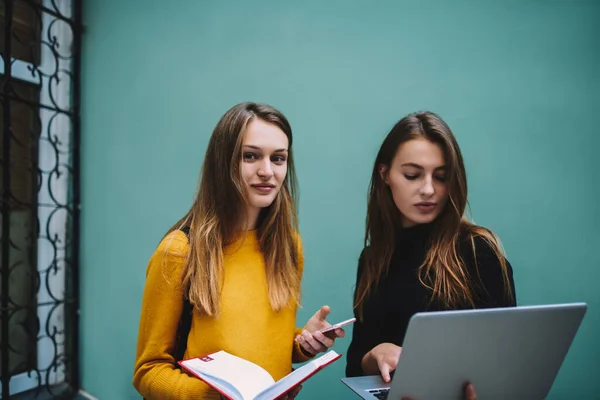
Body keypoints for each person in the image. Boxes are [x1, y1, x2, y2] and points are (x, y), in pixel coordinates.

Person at [133, 102, 345, 400]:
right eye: (250, 156)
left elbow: (262, 346)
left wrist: (301, 343)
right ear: (224, 162)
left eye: (279, 158)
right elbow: (148, 370)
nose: (267, 171)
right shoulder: (180, 251)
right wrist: (210, 396)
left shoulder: (288, 246)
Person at [345, 111, 516, 400]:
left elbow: (509, 361)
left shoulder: (478, 251)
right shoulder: (373, 258)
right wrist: (376, 354)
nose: (428, 190)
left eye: (441, 177)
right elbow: (355, 365)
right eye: (412, 175)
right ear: (384, 174)